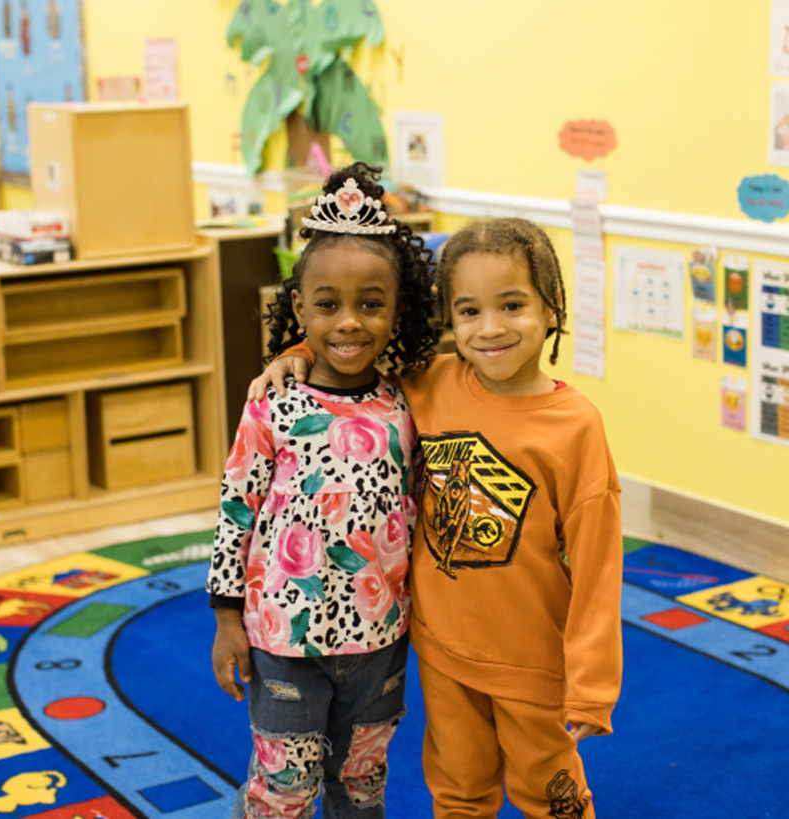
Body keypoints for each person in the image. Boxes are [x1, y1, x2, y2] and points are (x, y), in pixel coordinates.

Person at [253, 217, 623, 818]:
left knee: (550, 797)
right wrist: (296, 351)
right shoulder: (432, 381)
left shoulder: (575, 426)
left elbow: (599, 564)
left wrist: (593, 684)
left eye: (512, 305)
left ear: (552, 308)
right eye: (469, 311)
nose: (491, 328)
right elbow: (350, 350)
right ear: (448, 320)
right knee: (458, 792)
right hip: (443, 650)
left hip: (532, 661)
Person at [207, 161, 441, 819]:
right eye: (328, 304)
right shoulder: (273, 398)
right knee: (283, 790)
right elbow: (236, 508)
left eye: (371, 303)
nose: (349, 322)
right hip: (285, 640)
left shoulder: (406, 401)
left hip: (380, 637)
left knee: (361, 786)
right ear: (299, 306)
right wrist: (227, 617)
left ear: (397, 311)